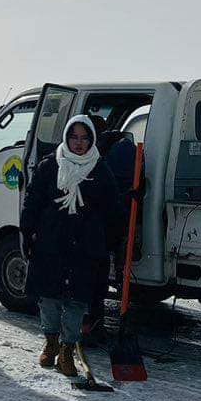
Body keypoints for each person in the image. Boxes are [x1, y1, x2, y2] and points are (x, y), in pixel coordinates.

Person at [21, 116, 121, 377]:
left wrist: (108, 242)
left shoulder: (99, 170)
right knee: (49, 298)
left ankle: (67, 349)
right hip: (50, 242)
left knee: (77, 301)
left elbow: (113, 210)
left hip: (85, 246)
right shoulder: (49, 166)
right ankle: (51, 341)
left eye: (84, 138)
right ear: (66, 138)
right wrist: (27, 232)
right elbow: (32, 202)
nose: (78, 143)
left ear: (92, 140)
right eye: (74, 137)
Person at [87, 125, 143, 344]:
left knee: (93, 285)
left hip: (98, 236)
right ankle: (89, 328)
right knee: (94, 285)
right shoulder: (116, 154)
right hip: (97, 235)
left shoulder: (102, 161)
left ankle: (90, 327)